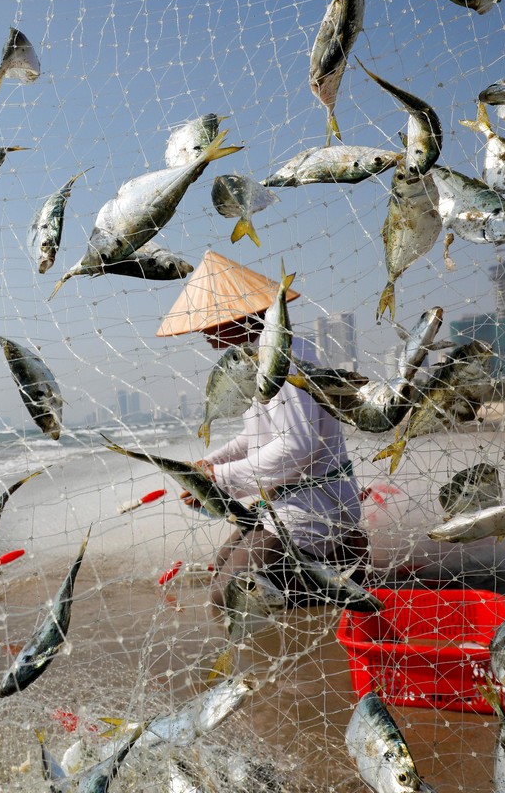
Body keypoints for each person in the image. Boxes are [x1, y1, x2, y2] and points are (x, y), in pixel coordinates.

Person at [156, 251, 366, 609]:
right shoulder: (253, 359)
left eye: (209, 322)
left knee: (227, 596)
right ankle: (339, 571)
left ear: (235, 318)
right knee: (223, 564)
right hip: (290, 501)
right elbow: (256, 437)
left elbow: (297, 447)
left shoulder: (281, 358)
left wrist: (219, 479)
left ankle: (341, 571)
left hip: (313, 507)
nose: (203, 333)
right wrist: (210, 465)